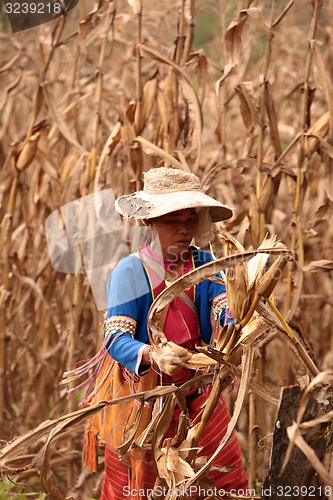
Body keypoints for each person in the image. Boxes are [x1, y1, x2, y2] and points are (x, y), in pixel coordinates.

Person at [68, 167, 248, 499]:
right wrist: (153, 354)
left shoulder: (206, 264)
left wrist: (238, 320)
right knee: (132, 489)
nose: (183, 229)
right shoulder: (130, 271)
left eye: (190, 220)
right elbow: (116, 339)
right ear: (149, 221)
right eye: (172, 220)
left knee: (229, 478)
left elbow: (227, 310)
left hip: (199, 389)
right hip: (143, 397)